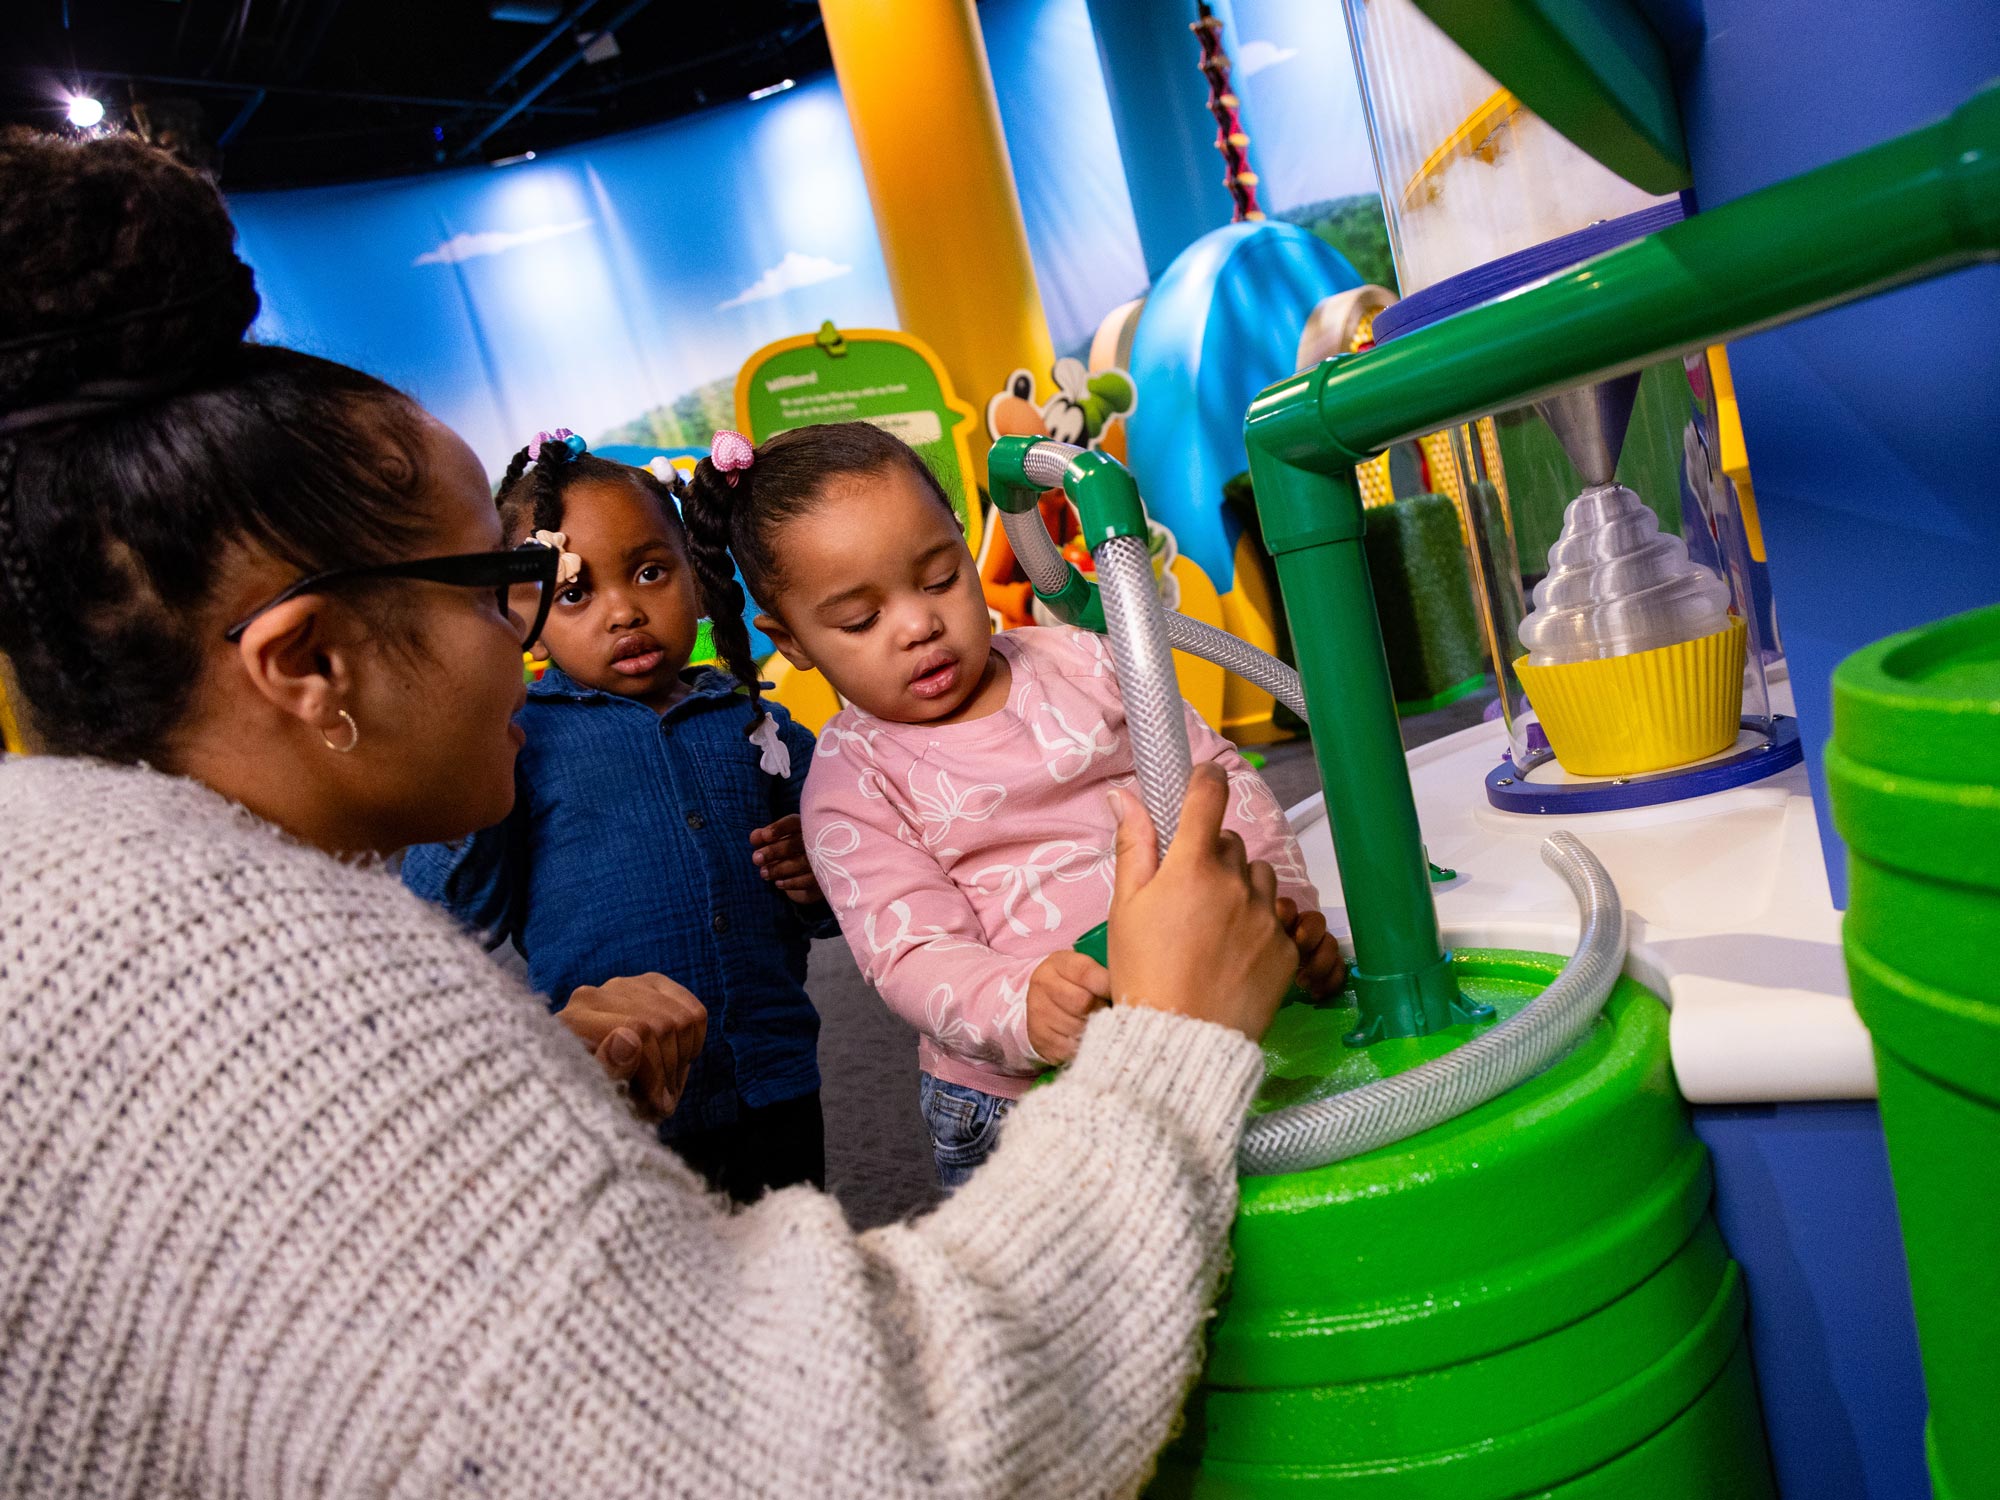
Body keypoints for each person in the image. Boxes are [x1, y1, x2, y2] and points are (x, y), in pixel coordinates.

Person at [0, 128, 1300, 1497]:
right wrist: (1167, 1047)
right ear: (312, 663)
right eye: (510, 580)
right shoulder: (261, 991)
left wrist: (525, 1084)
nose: (541, 631)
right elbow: (837, 1460)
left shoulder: (97, 894)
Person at [680, 423, 1346, 1186]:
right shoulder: (852, 782)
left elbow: (1215, 779)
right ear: (789, 639)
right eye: (860, 620)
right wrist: (1021, 1005)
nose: (918, 624)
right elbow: (912, 955)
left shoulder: (1086, 660)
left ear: (968, 548)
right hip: (1024, 1095)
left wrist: (1278, 908)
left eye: (939, 579)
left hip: (1207, 1006)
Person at [403, 432, 831, 1203]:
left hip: (774, 1074)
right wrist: (465, 750)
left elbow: (846, 899)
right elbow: (452, 912)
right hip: (624, 1087)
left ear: (695, 578)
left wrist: (818, 870)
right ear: (519, 614)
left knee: (806, 1253)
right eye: (575, 593)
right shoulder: (520, 738)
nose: (624, 611)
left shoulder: (755, 723)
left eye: (649, 572)